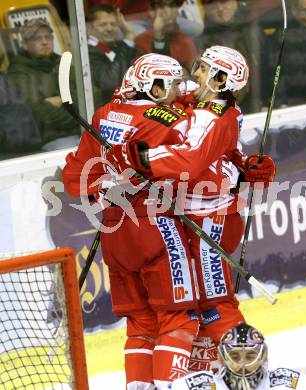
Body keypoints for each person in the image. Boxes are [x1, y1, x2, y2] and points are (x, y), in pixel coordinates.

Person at [107, 45, 276, 372]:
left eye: (201, 68)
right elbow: (218, 155)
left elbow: (191, 159)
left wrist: (139, 158)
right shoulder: (204, 104)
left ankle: (247, 373)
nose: (193, 73)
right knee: (191, 303)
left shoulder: (213, 115)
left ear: (220, 77)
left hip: (210, 218)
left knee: (214, 305)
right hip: (193, 214)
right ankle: (201, 372)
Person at [62, 53, 200, 389]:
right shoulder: (168, 120)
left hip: (115, 233)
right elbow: (194, 160)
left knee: (140, 324)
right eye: (171, 85)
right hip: (156, 229)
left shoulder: (104, 114)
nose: (176, 91)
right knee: (177, 319)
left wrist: (103, 191)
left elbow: (75, 177)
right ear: (152, 86)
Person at [7, 18, 81, 151]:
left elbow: (87, 96)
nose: (45, 42)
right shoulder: (18, 72)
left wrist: (60, 101)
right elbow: (38, 112)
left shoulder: (62, 63)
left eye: (48, 37)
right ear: (24, 44)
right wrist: (77, 118)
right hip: (52, 139)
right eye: (37, 39)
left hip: (83, 130)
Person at [169, 322, 306, 389]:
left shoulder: (292, 384)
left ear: (264, 357)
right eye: (235, 356)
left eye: (250, 356)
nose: (243, 364)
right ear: (221, 358)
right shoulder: (191, 387)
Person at [86, 4, 140, 104]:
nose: (110, 29)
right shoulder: (87, 51)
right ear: (89, 28)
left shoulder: (116, 46)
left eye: (113, 24)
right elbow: (110, 83)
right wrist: (128, 36)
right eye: (103, 25)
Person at [135, 0, 197, 72]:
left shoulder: (186, 40)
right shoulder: (141, 41)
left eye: (172, 5)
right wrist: (158, 35)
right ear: (151, 12)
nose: (168, 11)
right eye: (162, 6)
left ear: (178, 10)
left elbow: (192, 75)